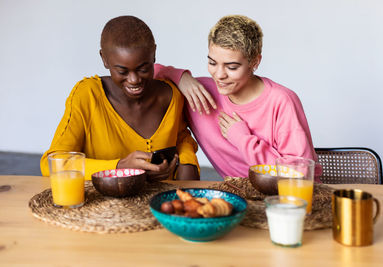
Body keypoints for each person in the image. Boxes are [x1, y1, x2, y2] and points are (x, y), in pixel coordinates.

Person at [154, 15, 321, 179]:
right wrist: (180, 77)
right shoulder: (198, 93)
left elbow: (300, 172)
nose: (219, 75)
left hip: (286, 199)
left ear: (255, 62)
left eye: (232, 67)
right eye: (212, 63)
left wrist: (243, 139)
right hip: (238, 196)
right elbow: (140, 73)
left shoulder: (282, 101)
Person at [40, 16, 199, 181]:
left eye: (143, 69)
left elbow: (181, 137)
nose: (134, 79)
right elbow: (53, 164)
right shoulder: (88, 95)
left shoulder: (171, 95)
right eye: (122, 71)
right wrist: (120, 167)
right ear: (104, 59)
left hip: (160, 202)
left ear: (154, 55)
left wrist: (188, 164)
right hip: (102, 204)